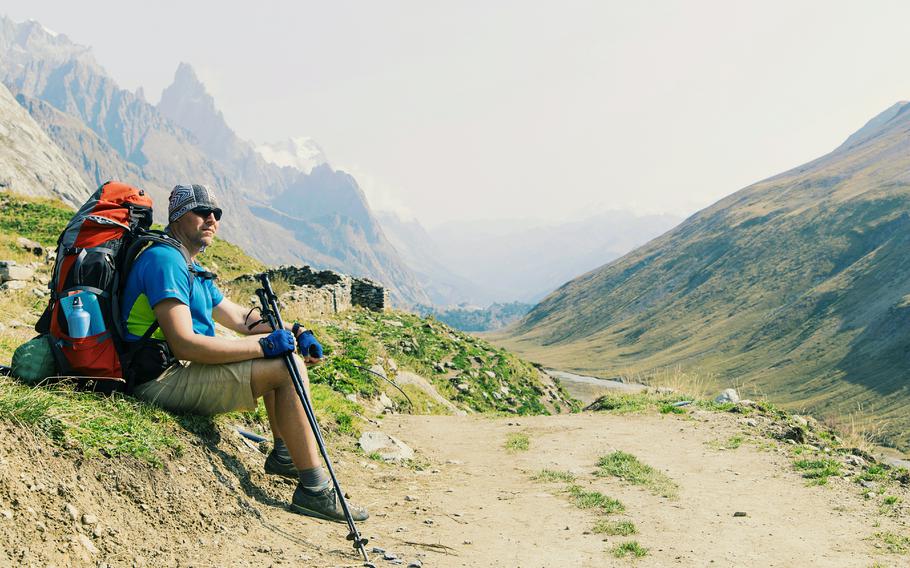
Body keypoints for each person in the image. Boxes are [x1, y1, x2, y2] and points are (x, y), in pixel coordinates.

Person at [120, 183, 368, 522]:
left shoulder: (189, 264)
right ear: (177, 217)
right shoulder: (165, 262)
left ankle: (286, 456)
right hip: (156, 380)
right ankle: (314, 490)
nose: (212, 219)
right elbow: (185, 344)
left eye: (216, 213)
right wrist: (264, 346)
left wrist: (293, 330)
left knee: (281, 357)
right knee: (287, 367)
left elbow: (239, 318)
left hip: (173, 370)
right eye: (201, 212)